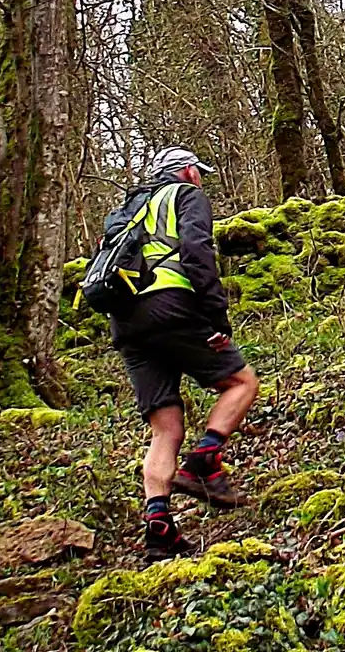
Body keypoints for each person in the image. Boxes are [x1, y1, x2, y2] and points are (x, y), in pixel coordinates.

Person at [104, 145, 261, 560]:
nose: (201, 178)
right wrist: (216, 316)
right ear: (188, 171)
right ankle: (204, 461)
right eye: (199, 171)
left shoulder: (129, 208)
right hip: (170, 306)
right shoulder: (185, 196)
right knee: (241, 383)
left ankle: (159, 529)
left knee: (165, 428)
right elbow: (196, 251)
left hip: (126, 323)